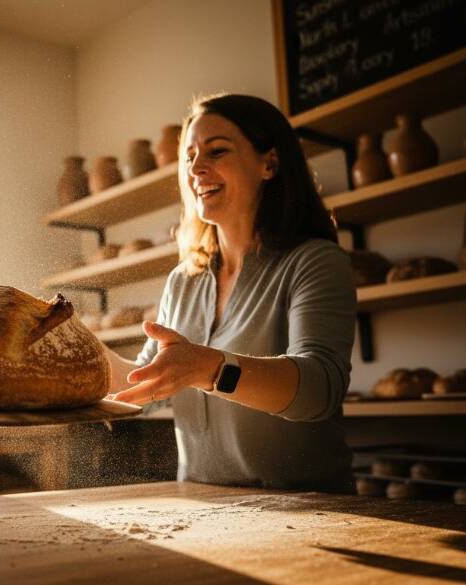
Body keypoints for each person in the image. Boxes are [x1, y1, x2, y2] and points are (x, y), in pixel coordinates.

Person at [109, 94, 356, 492]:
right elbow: (141, 387)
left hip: (310, 507)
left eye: (217, 151)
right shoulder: (183, 280)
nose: (196, 169)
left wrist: (211, 368)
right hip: (203, 507)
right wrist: (70, 350)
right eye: (189, 157)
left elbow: (319, 389)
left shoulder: (314, 261)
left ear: (269, 163)